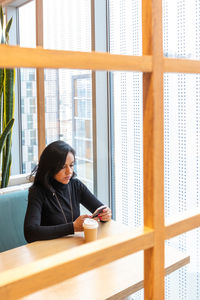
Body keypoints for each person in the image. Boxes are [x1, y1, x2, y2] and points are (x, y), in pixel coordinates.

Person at [24, 140, 112, 243]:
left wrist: (105, 215)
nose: (69, 171)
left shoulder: (76, 185)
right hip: (49, 250)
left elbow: (99, 209)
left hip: (73, 246)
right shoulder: (37, 192)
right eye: (62, 167)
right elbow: (30, 232)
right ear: (50, 168)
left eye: (71, 165)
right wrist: (72, 227)